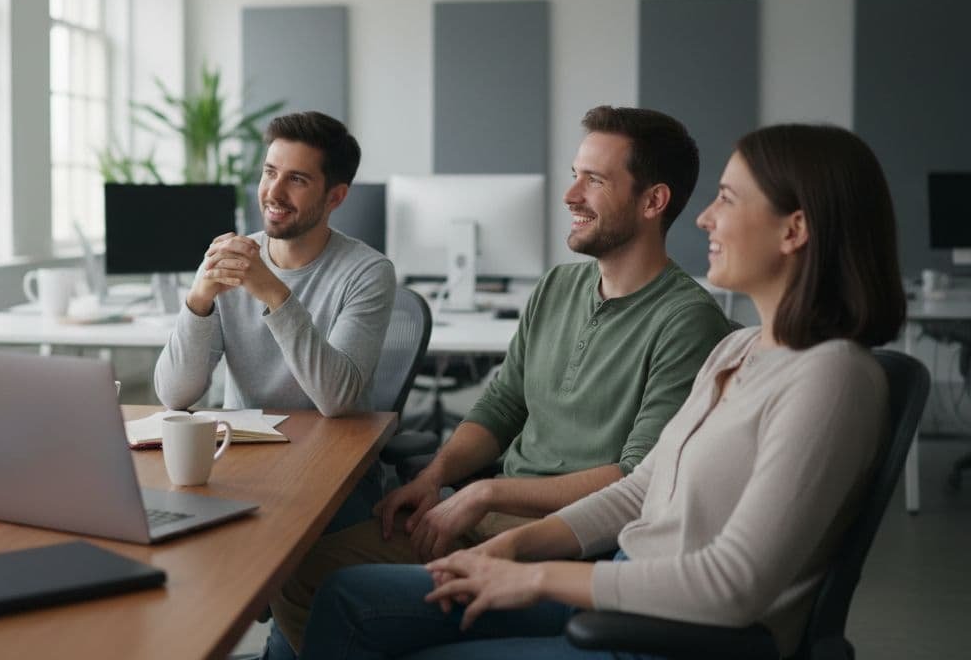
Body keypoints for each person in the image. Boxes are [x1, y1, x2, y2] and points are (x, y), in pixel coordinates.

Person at [298, 123, 907, 660]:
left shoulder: (832, 378)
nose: (704, 218)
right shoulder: (739, 349)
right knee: (349, 597)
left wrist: (538, 579)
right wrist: (511, 549)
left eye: (727, 198)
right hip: (625, 588)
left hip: (676, 635)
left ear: (794, 229)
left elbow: (733, 584)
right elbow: (643, 489)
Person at [268, 106, 733, 657]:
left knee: (346, 599)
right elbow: (502, 404)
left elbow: (636, 478)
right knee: (298, 571)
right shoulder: (558, 286)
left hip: (565, 544)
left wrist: (486, 491)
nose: (570, 195)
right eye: (574, 174)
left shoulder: (687, 320)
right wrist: (436, 476)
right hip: (481, 516)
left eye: (595, 180)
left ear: (653, 202)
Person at [154, 111, 396, 525]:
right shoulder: (230, 256)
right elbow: (175, 394)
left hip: (333, 471)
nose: (274, 192)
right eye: (270, 172)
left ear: (335, 197)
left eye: (297, 180)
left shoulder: (367, 272)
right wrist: (199, 300)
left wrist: (272, 291)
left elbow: (336, 399)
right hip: (241, 460)